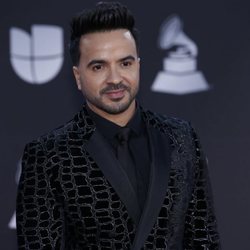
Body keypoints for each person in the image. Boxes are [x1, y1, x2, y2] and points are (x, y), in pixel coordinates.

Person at [16, 2, 220, 249]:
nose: (115, 79)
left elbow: (204, 239)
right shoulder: (47, 156)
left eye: (125, 63)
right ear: (78, 77)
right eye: (99, 66)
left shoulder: (182, 138)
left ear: (138, 65)